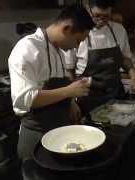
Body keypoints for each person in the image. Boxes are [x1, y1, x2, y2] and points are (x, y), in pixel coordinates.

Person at [8, 5, 95, 163]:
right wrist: (69, 92)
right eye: (77, 40)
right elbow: (26, 99)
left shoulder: (57, 51)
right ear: (67, 29)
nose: (76, 47)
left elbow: (57, 87)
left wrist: (70, 103)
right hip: (36, 135)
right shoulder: (27, 49)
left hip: (58, 133)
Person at [64, 0, 135, 115]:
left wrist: (134, 79)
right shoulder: (78, 32)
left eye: (106, 16)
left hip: (116, 95)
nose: (101, 20)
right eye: (97, 15)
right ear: (89, 9)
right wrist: (71, 101)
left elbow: (125, 60)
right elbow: (69, 71)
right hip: (88, 98)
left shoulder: (118, 30)